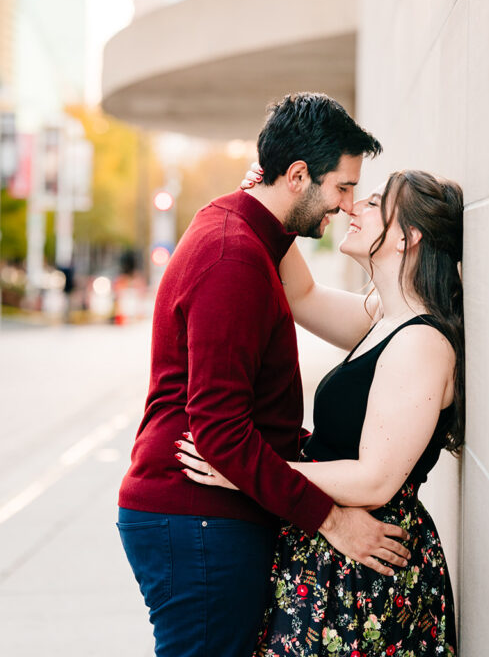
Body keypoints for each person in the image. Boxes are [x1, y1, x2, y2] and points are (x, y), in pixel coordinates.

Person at [117, 93, 413, 657]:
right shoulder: (233, 257)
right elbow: (219, 432)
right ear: (298, 175)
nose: (348, 206)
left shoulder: (242, 233)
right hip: (198, 517)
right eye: (342, 188)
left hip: (205, 516)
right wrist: (332, 520)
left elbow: (301, 294)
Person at [177, 166, 464, 655]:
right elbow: (300, 295)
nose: (353, 207)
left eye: (373, 203)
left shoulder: (421, 343)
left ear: (409, 236)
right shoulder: (383, 318)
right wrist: (269, 197)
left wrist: (249, 472)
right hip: (335, 557)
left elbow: (375, 479)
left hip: (370, 570)